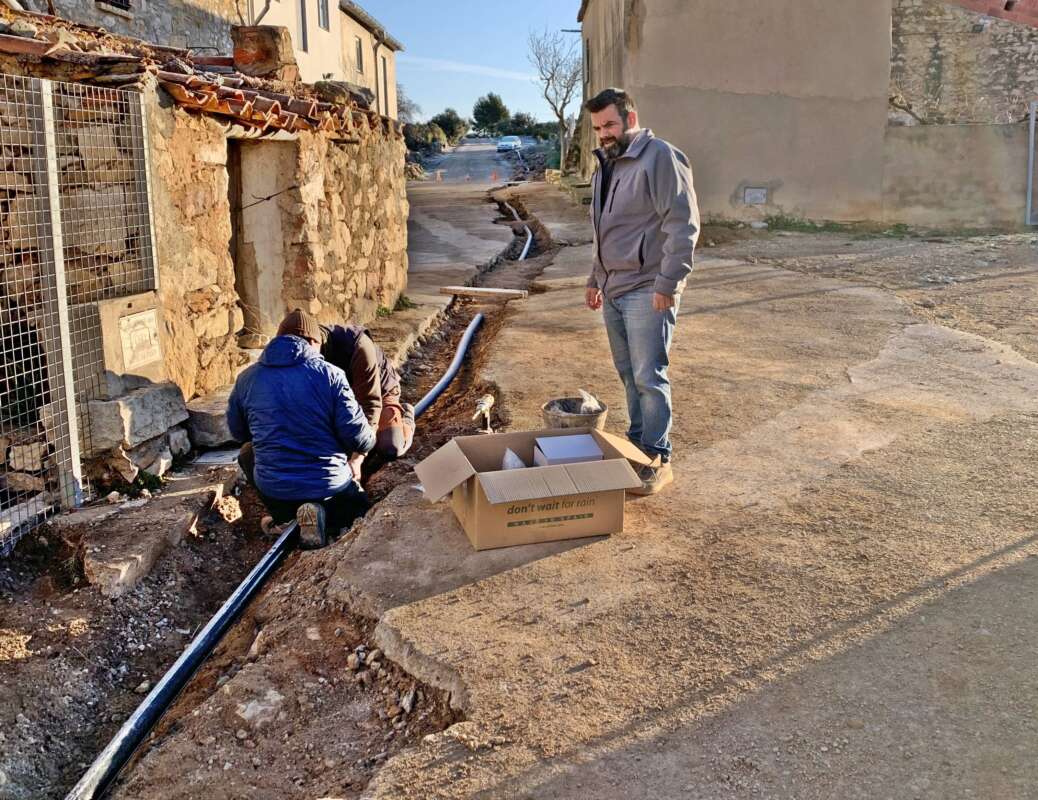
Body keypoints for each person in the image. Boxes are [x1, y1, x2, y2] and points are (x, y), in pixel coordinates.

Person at [583, 87, 700, 495]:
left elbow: (682, 225)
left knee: (649, 376)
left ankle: (656, 458)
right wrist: (595, 279)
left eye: (610, 124)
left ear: (630, 119)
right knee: (628, 375)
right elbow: (604, 231)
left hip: (648, 287)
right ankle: (636, 446)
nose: (603, 133)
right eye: (598, 127)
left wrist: (669, 284)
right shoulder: (606, 164)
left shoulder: (660, 156)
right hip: (614, 287)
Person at [228, 309, 375, 548]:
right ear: (314, 342)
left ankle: (286, 518)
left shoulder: (247, 378)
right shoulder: (332, 375)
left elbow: (238, 433)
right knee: (359, 509)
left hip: (276, 490)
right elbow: (360, 439)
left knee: (247, 453)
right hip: (330, 488)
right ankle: (328, 519)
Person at [320, 322, 415, 470]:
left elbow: (370, 405)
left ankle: (406, 417)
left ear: (314, 342)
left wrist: (358, 459)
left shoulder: (359, 346)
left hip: (378, 395)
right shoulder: (299, 356)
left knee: (390, 447)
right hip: (345, 400)